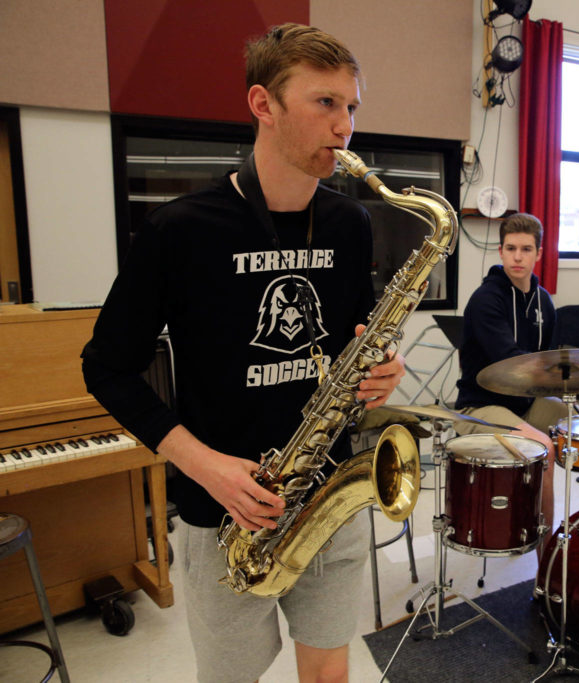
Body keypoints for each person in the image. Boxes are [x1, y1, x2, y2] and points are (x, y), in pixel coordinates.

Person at [81, 24, 405, 683]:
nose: (344, 126)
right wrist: (206, 468)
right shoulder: (180, 229)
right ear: (263, 104)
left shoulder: (350, 222)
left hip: (327, 491)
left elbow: (352, 337)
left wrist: (380, 369)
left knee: (328, 674)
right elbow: (106, 366)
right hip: (222, 508)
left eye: (352, 107)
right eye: (324, 103)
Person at [453, 213, 567, 536]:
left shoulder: (544, 302)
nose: (518, 256)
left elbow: (548, 360)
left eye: (527, 249)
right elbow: (512, 365)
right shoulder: (486, 300)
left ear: (539, 253)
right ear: (500, 251)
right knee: (543, 446)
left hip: (525, 404)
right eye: (511, 248)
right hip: (478, 407)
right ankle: (546, 552)